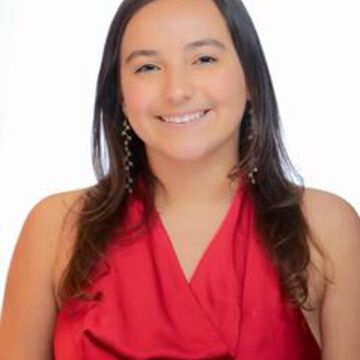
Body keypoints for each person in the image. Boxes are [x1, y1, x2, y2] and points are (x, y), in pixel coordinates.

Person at [1, 0, 359, 358]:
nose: (177, 91)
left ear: (250, 77)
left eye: (203, 59)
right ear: (121, 97)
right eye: (148, 67)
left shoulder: (325, 228)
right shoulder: (56, 227)